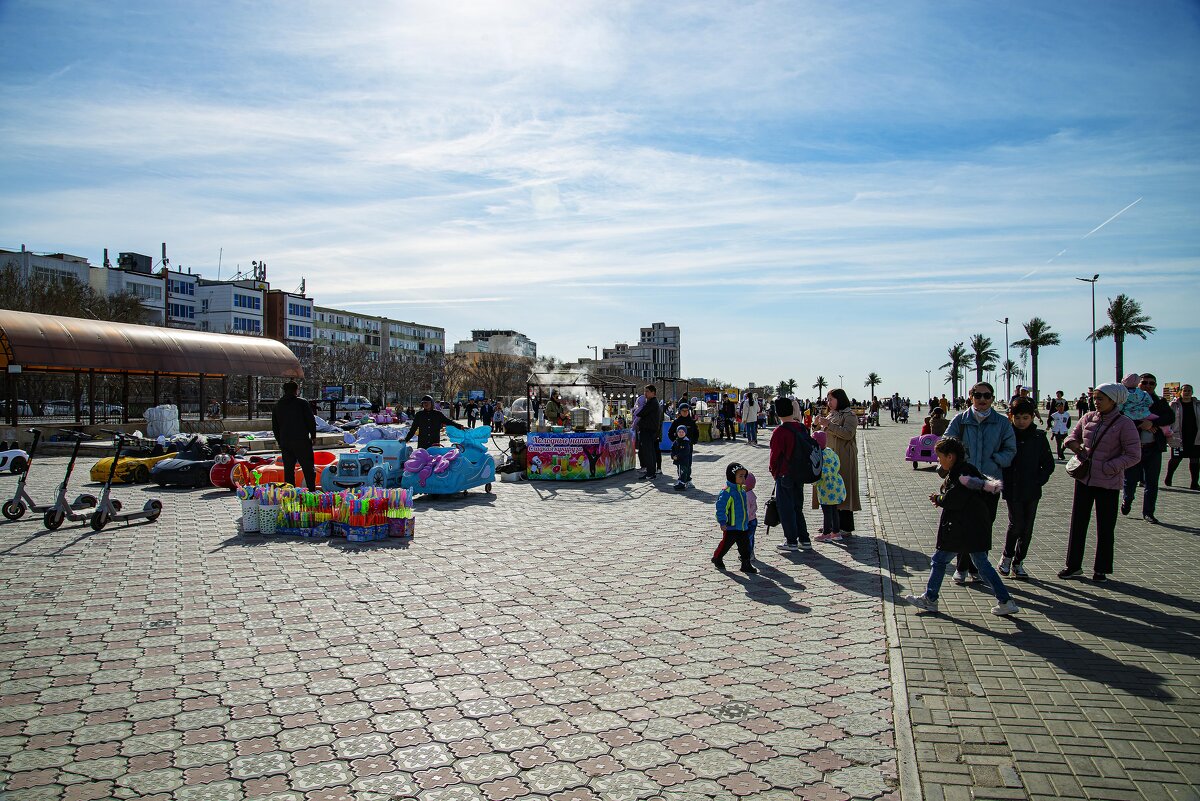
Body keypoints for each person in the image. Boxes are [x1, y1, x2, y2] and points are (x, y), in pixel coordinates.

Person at [903, 437, 1019, 616]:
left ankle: (930, 598)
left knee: (940, 560)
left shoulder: (962, 475)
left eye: (939, 456)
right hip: (973, 527)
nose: (938, 460)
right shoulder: (966, 471)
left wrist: (939, 499)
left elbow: (954, 500)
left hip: (962, 529)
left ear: (950, 456)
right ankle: (1005, 601)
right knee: (982, 565)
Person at [1059, 383, 1141, 581]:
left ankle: (1101, 568)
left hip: (1108, 483)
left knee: (1105, 527)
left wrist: (1109, 467)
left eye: (1100, 398)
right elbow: (1072, 436)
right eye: (1095, 398)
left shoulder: (1124, 424)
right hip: (1084, 479)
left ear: (1113, 401)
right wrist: (1075, 446)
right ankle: (1073, 565)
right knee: (1078, 524)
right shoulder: (1088, 417)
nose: (1096, 402)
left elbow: (1134, 455)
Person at [942, 381, 1015, 584]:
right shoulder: (961, 420)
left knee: (983, 526)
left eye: (987, 395)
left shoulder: (1002, 423)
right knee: (961, 525)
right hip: (964, 483)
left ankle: (976, 568)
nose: (982, 400)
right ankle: (962, 566)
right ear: (971, 396)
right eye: (978, 395)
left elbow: (1011, 450)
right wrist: (961, 461)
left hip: (989, 484)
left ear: (992, 398)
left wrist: (995, 460)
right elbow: (946, 443)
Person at [998, 400, 1055, 579]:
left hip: (1032, 489)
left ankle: (1018, 561)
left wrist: (1039, 479)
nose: (1021, 421)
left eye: (1026, 417)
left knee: (1027, 527)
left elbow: (1048, 463)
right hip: (1012, 488)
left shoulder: (1039, 437)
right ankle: (1006, 557)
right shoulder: (1006, 437)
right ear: (1011, 417)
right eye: (1018, 417)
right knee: (1016, 524)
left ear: (1032, 417)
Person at [1121, 373, 1175, 524]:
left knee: (1152, 482)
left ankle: (1149, 512)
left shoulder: (1160, 402)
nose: (1148, 386)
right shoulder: (1127, 399)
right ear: (1138, 384)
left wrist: (1152, 424)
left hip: (1153, 448)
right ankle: (1127, 500)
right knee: (1130, 480)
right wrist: (1140, 423)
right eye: (1144, 383)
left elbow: (1170, 418)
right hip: (1134, 448)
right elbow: (1120, 416)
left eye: (1152, 383)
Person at [813, 388, 861, 538]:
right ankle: (832, 525)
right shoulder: (831, 414)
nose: (829, 403)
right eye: (828, 400)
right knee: (829, 489)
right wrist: (816, 425)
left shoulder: (850, 415)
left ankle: (845, 526)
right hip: (830, 458)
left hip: (844, 457)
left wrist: (829, 425)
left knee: (844, 488)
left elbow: (848, 434)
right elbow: (820, 434)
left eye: (831, 399)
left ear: (840, 399)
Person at [768, 397, 813, 551]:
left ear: (777, 412)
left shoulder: (780, 431)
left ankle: (791, 540)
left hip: (784, 473)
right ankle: (805, 539)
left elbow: (774, 456)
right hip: (799, 472)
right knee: (797, 506)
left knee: (786, 508)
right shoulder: (801, 428)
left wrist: (774, 472)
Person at [271, 381, 317, 491]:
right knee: (308, 468)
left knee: (289, 470)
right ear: (296, 390)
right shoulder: (302, 403)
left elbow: (275, 426)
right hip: (301, 440)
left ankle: (290, 492)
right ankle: (311, 490)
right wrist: (313, 435)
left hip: (285, 442)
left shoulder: (278, 405)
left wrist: (280, 441)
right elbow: (310, 420)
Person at [713, 462, 756, 574]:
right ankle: (717, 558)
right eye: (740, 476)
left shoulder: (741, 490)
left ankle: (746, 563)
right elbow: (721, 508)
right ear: (732, 476)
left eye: (744, 476)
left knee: (745, 547)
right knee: (725, 545)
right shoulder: (727, 492)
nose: (743, 479)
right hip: (731, 526)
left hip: (742, 525)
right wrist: (722, 522)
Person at [812, 431, 847, 543]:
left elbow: (817, 472)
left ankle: (826, 533)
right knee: (834, 510)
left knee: (826, 511)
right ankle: (836, 532)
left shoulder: (819, 455)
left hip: (826, 487)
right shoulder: (831, 452)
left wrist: (813, 481)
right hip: (836, 484)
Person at [1166, 384, 1199, 490]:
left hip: (1195, 437)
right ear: (1181, 392)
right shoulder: (1174, 404)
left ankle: (1194, 483)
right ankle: (1169, 477)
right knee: (1176, 459)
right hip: (1178, 436)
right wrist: (1168, 433)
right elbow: (1169, 420)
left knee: (1195, 460)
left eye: (1189, 390)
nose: (1187, 392)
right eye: (1185, 390)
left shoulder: (1198, 404)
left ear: (1192, 392)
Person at [635, 384, 662, 480]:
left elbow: (641, 413)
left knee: (648, 452)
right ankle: (651, 472)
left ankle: (650, 473)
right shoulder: (652, 402)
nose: (645, 394)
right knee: (650, 452)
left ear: (653, 393)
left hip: (648, 430)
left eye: (647, 391)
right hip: (650, 430)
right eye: (644, 391)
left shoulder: (652, 403)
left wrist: (637, 409)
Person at [671, 425, 694, 491]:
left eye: (682, 432)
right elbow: (673, 450)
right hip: (678, 460)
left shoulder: (686, 442)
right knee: (679, 470)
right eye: (679, 432)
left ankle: (682, 482)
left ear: (685, 433)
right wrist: (673, 456)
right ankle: (683, 480)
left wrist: (678, 456)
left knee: (683, 471)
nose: (681, 433)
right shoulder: (676, 441)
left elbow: (685, 451)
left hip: (684, 460)